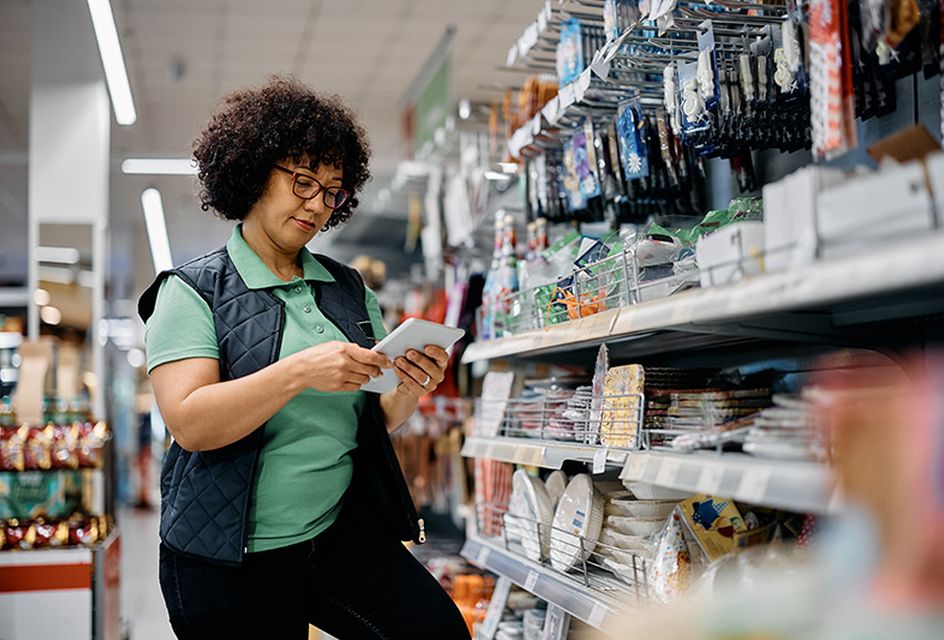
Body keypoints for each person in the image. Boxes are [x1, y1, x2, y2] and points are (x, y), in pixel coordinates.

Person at [138, 77, 470, 640]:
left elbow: (374, 417)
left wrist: (411, 385)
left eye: (332, 191)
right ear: (254, 173)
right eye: (302, 182)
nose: (317, 205)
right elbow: (191, 422)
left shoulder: (347, 288)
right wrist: (300, 371)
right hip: (227, 558)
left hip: (337, 534)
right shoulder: (194, 290)